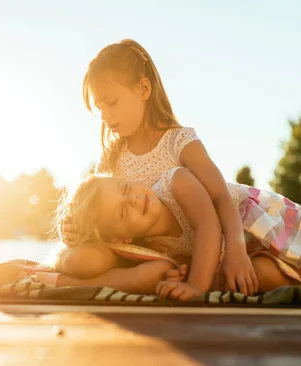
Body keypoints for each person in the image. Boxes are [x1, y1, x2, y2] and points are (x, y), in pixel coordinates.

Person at [57, 38, 258, 295]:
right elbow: (103, 214)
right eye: (99, 107)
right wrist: (74, 227)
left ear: (143, 89)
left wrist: (236, 250)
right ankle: (70, 281)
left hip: (238, 229)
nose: (105, 116)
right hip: (181, 256)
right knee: (82, 258)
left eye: (112, 102)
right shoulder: (112, 158)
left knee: (262, 274)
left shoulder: (179, 142)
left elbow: (221, 197)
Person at [53, 167, 301, 301]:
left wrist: (198, 285)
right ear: (119, 237)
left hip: (260, 222)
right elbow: (83, 260)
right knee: (264, 279)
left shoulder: (175, 182)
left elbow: (208, 225)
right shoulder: (148, 246)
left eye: (124, 188)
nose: (134, 199)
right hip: (249, 255)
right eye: (122, 211)